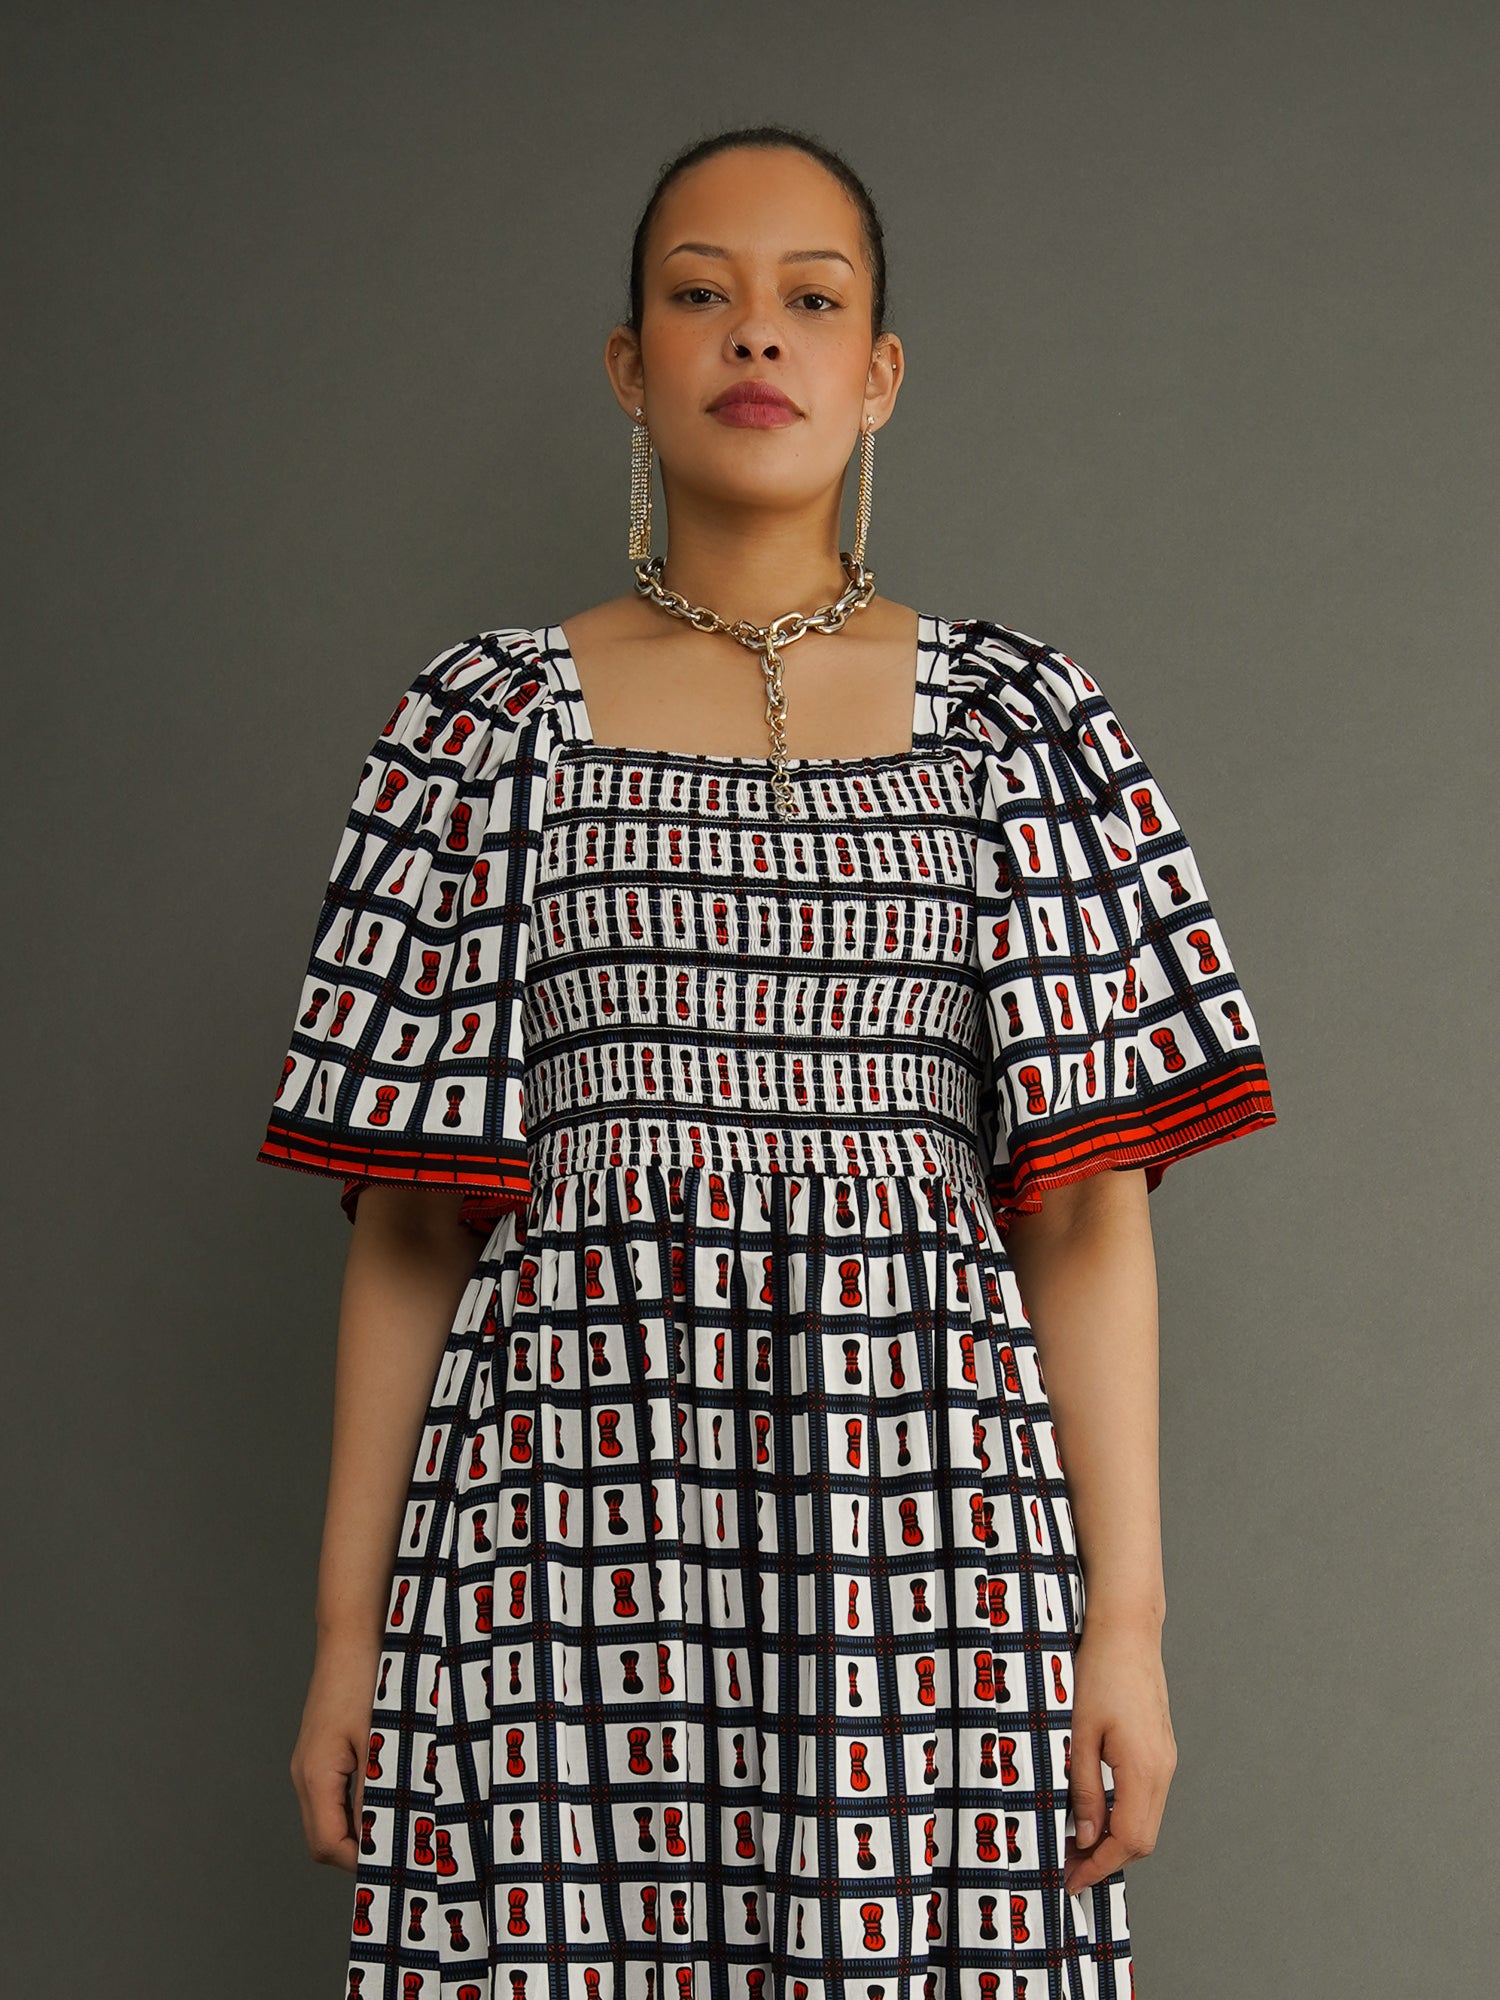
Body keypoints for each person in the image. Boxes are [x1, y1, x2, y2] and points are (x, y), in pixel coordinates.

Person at [257, 124, 1276, 1999]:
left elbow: (1084, 1220)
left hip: (926, 1519)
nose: (756, 335)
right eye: (698, 293)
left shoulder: (1023, 727)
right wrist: (346, 1640)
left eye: (811, 300)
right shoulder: (478, 730)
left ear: (878, 373)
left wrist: (1124, 1633)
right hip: (569, 1518)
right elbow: (407, 1230)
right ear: (628, 363)